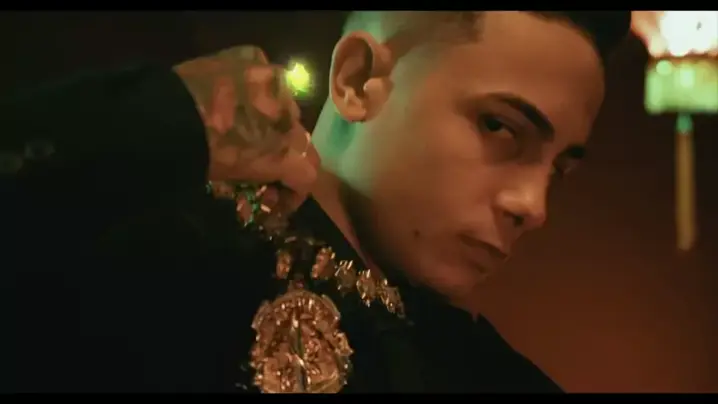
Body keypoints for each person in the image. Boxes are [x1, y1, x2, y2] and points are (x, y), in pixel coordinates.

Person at [3, 11, 631, 393]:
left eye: (559, 169)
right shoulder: (165, 250)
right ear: (356, 80)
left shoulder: (476, 370)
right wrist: (163, 119)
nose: (534, 206)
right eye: (500, 127)